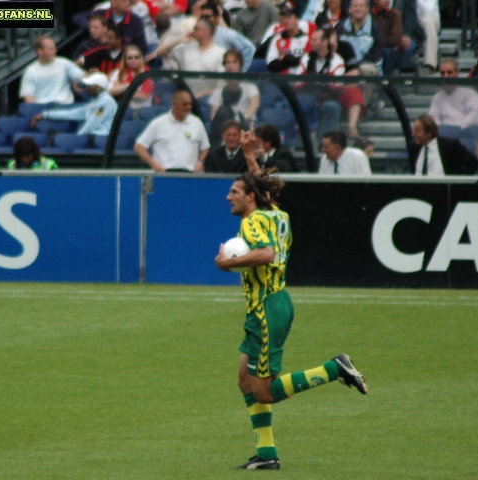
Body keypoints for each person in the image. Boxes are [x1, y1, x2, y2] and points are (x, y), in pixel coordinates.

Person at [214, 126, 368, 470]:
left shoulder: (253, 224)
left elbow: (266, 254)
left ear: (249, 198)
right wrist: (250, 155)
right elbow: (262, 191)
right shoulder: (276, 215)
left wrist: (230, 263)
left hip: (268, 308)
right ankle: (267, 455)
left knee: (264, 391)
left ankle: (334, 368)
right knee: (244, 379)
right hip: (270, 305)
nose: (229, 197)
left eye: (235, 192)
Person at [134, 89, 210, 172]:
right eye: (185, 104)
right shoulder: (158, 123)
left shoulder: (197, 123)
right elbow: (139, 147)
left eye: (190, 104)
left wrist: (200, 161)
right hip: (165, 174)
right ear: (174, 104)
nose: (189, 107)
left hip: (190, 175)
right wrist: (153, 163)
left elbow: (205, 147)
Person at [30, 72, 118, 135]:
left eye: (89, 86)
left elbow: (92, 123)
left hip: (101, 140)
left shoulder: (105, 102)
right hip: (92, 138)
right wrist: (45, 114)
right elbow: (72, 113)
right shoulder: (95, 101)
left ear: (99, 88)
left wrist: (77, 138)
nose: (86, 88)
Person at [160, 18, 226, 98]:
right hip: (185, 99)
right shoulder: (185, 48)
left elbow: (222, 86)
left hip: (208, 100)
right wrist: (180, 39)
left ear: (207, 31)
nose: (192, 31)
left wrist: (198, 96)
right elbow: (160, 52)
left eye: (196, 29)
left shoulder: (221, 53)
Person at [208, 49, 260, 143]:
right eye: (228, 62)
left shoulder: (250, 87)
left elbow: (254, 104)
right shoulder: (219, 91)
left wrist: (244, 117)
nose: (231, 65)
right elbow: (213, 115)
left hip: (245, 125)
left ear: (240, 64)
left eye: (234, 62)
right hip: (225, 128)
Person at [19, 36, 84, 104]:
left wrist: (91, 76)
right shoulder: (30, 71)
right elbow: (28, 96)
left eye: (54, 48)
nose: (55, 51)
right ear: (40, 51)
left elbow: (83, 77)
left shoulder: (64, 63)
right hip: (43, 109)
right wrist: (37, 111)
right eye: (51, 49)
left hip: (65, 107)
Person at [408, 114, 478, 176]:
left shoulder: (450, 146)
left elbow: (473, 162)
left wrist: (459, 184)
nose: (413, 134)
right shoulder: (414, 147)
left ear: (429, 133)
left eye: (417, 131)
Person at [73, 0, 148, 56]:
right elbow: (77, 17)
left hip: (124, 59)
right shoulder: (100, 14)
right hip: (99, 55)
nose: (128, 3)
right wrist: (93, 26)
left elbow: (141, 47)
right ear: (114, 3)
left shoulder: (136, 20)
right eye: (124, 1)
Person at [428, 58, 478, 129]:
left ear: (457, 73)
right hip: (445, 135)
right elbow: (433, 118)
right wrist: (443, 131)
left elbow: (474, 117)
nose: (446, 76)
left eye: (449, 72)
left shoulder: (470, 94)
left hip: (469, 134)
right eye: (443, 73)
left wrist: (457, 130)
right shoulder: (438, 97)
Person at [200, 1, 255, 71]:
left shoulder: (227, 34)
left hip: (226, 78)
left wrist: (242, 72)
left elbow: (249, 48)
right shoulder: (197, 35)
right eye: (202, 17)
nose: (204, 20)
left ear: (217, 18)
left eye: (207, 17)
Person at [265, 1, 317, 73]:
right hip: (280, 81)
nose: (285, 21)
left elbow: (308, 63)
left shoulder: (307, 39)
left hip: (301, 80)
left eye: (289, 17)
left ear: (297, 19)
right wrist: (289, 61)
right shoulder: (277, 39)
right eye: (284, 17)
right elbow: (271, 64)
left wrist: (283, 60)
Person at [108, 45, 155, 110]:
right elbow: (110, 91)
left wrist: (122, 89)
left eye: (136, 57)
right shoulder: (118, 73)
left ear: (140, 58)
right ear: (125, 59)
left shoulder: (146, 73)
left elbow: (143, 96)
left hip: (142, 109)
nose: (133, 60)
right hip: (122, 109)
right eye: (130, 58)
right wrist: (126, 87)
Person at [391, 0, 426, 73]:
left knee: (407, 46)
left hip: (406, 32)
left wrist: (406, 35)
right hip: (384, 35)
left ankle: (395, 70)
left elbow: (410, 16)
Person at [372, 0, 403, 76]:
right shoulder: (369, 15)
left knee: (388, 52)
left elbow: (394, 39)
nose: (387, 1)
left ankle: (386, 81)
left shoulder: (395, 15)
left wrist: (376, 41)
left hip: (388, 49)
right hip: (373, 48)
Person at [416, 0, 440, 75]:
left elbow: (428, 11)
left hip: (424, 20)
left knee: (428, 22)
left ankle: (429, 65)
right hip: (404, 20)